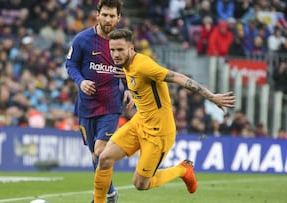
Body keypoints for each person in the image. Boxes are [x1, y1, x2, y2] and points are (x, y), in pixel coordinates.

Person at [93, 29, 236, 203]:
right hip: (140, 121)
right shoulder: (126, 65)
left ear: (131, 48)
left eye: (120, 50)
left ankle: (183, 170)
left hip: (158, 132)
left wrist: (211, 96)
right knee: (105, 158)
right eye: (112, 50)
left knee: (141, 184)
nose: (115, 54)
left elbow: (177, 77)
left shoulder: (144, 65)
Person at [65, 1, 133, 202]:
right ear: (97, 15)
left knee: (101, 151)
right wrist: (81, 81)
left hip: (111, 106)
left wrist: (129, 89)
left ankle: (99, 198)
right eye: (105, 15)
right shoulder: (82, 40)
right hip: (86, 106)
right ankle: (110, 193)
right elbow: (70, 64)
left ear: (118, 18)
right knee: (96, 156)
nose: (108, 20)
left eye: (112, 16)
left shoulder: (121, 42)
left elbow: (131, 68)